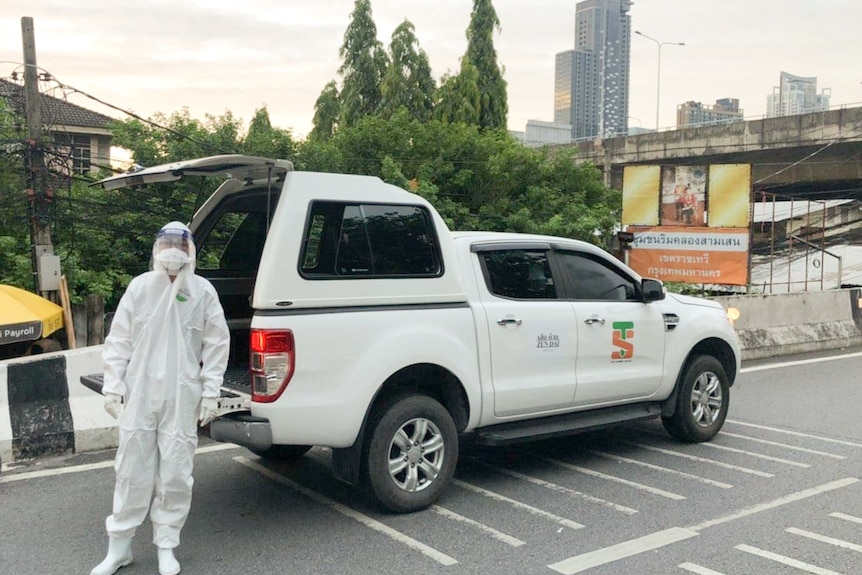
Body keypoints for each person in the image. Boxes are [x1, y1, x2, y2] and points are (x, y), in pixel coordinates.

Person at [91, 221, 230, 575]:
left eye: (179, 245)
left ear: (190, 251)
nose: (173, 251)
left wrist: (212, 392)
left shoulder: (202, 291)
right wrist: (113, 385)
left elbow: (217, 343)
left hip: (182, 393)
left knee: (176, 472)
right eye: (167, 243)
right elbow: (119, 338)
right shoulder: (140, 288)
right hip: (139, 391)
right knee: (131, 469)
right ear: (156, 248)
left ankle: (167, 546)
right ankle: (119, 547)